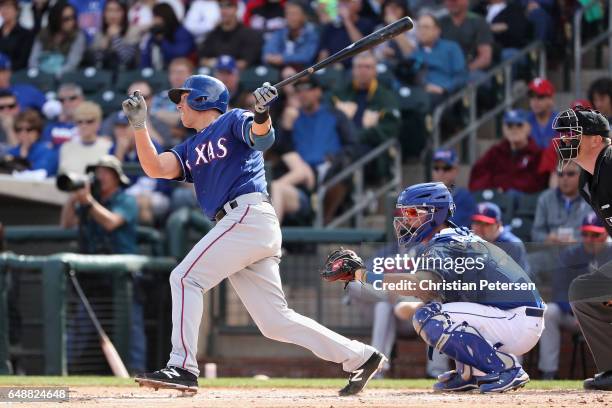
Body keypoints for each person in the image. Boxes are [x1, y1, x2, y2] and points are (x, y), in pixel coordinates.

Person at [121, 74, 385, 394]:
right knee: (275, 321)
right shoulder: (191, 145)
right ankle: (360, 356)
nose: (178, 104)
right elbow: (156, 168)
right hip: (243, 225)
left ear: (203, 99)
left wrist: (261, 113)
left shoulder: (235, 118)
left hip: (247, 215)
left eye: (184, 96)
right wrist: (139, 127)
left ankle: (182, 366)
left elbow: (262, 139)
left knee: (184, 277)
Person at [324, 182, 544, 393]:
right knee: (439, 307)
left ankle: (505, 368)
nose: (405, 220)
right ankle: (469, 373)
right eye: (404, 214)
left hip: (516, 320)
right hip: (514, 317)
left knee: (430, 316)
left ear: (435, 213)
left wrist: (364, 274)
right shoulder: (449, 239)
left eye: (412, 213)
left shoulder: (446, 245)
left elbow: (419, 284)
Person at [59, 154, 146, 373]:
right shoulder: (88, 202)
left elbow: (110, 222)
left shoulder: (125, 199)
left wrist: (88, 201)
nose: (101, 176)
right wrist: (73, 196)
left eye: (106, 172)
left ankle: (136, 369)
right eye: (98, 172)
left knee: (131, 325)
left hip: (121, 276)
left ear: (117, 177)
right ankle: (63, 370)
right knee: (81, 325)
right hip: (94, 276)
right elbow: (66, 224)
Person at [552, 105, 612, 391]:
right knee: (584, 291)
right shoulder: (588, 179)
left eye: (573, 134)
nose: (565, 140)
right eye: (563, 135)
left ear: (597, 139)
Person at [538, 212, 611, 379]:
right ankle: (548, 372)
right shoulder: (570, 255)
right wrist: (576, 311)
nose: (590, 239)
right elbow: (559, 290)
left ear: (605, 234)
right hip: (572, 315)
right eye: (586, 234)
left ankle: (609, 372)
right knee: (549, 312)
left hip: (605, 316)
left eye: (595, 235)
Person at [285, 76, 359, 224]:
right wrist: (286, 127)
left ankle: (325, 221)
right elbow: (283, 150)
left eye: (308, 89)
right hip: (302, 174)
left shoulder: (335, 114)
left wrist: (337, 158)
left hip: (330, 170)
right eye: (298, 90)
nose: (303, 94)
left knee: (343, 170)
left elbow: (352, 144)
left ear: (318, 92)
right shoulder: (293, 117)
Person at [469, 109, 548, 193]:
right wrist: (493, 190)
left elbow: (540, 183)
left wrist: (508, 188)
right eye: (509, 125)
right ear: (504, 129)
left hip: (527, 202)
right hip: (497, 200)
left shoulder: (538, 154)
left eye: (519, 125)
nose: (514, 129)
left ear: (528, 128)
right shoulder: (495, 152)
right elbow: (477, 175)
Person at [332, 52, 400, 149]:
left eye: (368, 67)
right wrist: (342, 116)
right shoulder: (340, 93)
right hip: (341, 145)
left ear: (375, 71)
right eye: (359, 66)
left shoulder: (386, 97)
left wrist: (358, 134)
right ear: (353, 70)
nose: (363, 71)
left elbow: (391, 129)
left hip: (373, 150)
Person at [407, 13, 466, 106]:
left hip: (447, 96)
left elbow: (461, 76)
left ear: (437, 30)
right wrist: (424, 87)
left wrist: (443, 88)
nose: (422, 31)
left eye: (426, 27)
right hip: (421, 94)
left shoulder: (451, 48)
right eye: (419, 27)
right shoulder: (413, 55)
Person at [531, 161, 591, 243]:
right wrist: (547, 239)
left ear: (581, 175)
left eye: (570, 174)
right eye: (560, 174)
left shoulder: (591, 199)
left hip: (582, 251)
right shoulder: (545, 198)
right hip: (551, 250)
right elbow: (536, 232)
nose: (565, 178)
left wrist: (578, 242)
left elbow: (600, 233)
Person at [199, 0, 263, 70]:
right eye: (221, 6)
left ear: (236, 9)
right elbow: (202, 60)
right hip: (216, 77)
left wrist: (215, 62)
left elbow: (244, 63)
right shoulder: (213, 34)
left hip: (240, 77)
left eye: (228, 6)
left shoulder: (249, 34)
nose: (224, 11)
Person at [471, 201, 531, 275]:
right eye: (476, 223)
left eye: (486, 224)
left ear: (498, 225)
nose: (479, 228)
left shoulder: (512, 245)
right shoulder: (470, 242)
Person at [438, 0, 493, 80]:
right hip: (444, 69)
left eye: (455, 1)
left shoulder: (478, 22)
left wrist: (465, 70)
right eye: (449, 1)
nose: (452, 3)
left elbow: (485, 58)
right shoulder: (440, 22)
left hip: (470, 69)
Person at [28, 1, 86, 76]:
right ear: (57, 19)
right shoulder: (43, 33)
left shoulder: (78, 36)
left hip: (64, 78)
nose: (71, 22)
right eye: (66, 19)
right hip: (40, 76)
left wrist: (54, 76)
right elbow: (33, 60)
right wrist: (39, 74)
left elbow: (72, 64)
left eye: (73, 17)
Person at [58, 101, 112, 174]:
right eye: (79, 122)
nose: (84, 125)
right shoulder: (66, 147)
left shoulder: (108, 147)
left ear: (98, 123)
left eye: (89, 121)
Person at [84, 0, 141, 70]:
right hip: (104, 75)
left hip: (127, 75)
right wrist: (106, 40)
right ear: (104, 13)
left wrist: (116, 37)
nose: (113, 15)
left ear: (124, 13)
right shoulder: (99, 33)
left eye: (117, 11)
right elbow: (96, 61)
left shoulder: (133, 31)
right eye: (109, 10)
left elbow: (127, 59)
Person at [317, 0, 376, 67]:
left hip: (357, 66)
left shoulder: (367, 24)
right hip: (335, 68)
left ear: (358, 5)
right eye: (341, 3)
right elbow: (323, 52)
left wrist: (347, 20)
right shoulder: (330, 27)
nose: (343, 6)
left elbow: (362, 47)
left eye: (347, 2)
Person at [261, 0, 318, 68]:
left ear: (304, 16)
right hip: (279, 71)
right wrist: (282, 62)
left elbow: (306, 57)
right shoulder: (279, 32)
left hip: (303, 72)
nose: (290, 17)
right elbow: (267, 55)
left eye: (294, 14)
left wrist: (283, 59)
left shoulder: (311, 34)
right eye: (288, 13)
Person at [140, 3, 195, 70]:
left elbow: (180, 54)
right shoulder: (155, 33)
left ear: (164, 16)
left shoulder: (182, 32)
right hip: (157, 71)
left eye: (156, 16)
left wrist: (163, 41)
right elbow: (146, 55)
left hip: (180, 70)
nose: (154, 20)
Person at [4, 109, 57, 176]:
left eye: (29, 129)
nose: (23, 133)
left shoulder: (48, 152)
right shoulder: (12, 152)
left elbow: (38, 175)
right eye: (19, 130)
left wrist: (23, 157)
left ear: (37, 132)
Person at [430, 148, 475, 227]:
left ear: (456, 170)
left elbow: (449, 228)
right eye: (436, 168)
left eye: (446, 168)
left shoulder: (464, 197)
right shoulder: (422, 194)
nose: (440, 172)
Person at [41, 83, 83, 147]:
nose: (67, 103)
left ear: (81, 99)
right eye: (62, 100)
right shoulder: (51, 128)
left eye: (72, 98)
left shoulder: (90, 122)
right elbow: (47, 151)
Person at [0, 0, 34, 70]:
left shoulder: (26, 34)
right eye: (2, 6)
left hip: (14, 74)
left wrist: (6, 67)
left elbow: (22, 61)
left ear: (17, 10)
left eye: (8, 7)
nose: (5, 10)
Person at [526, 78, 557, 149]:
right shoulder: (523, 122)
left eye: (540, 97)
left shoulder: (562, 122)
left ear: (551, 99)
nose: (535, 101)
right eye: (532, 96)